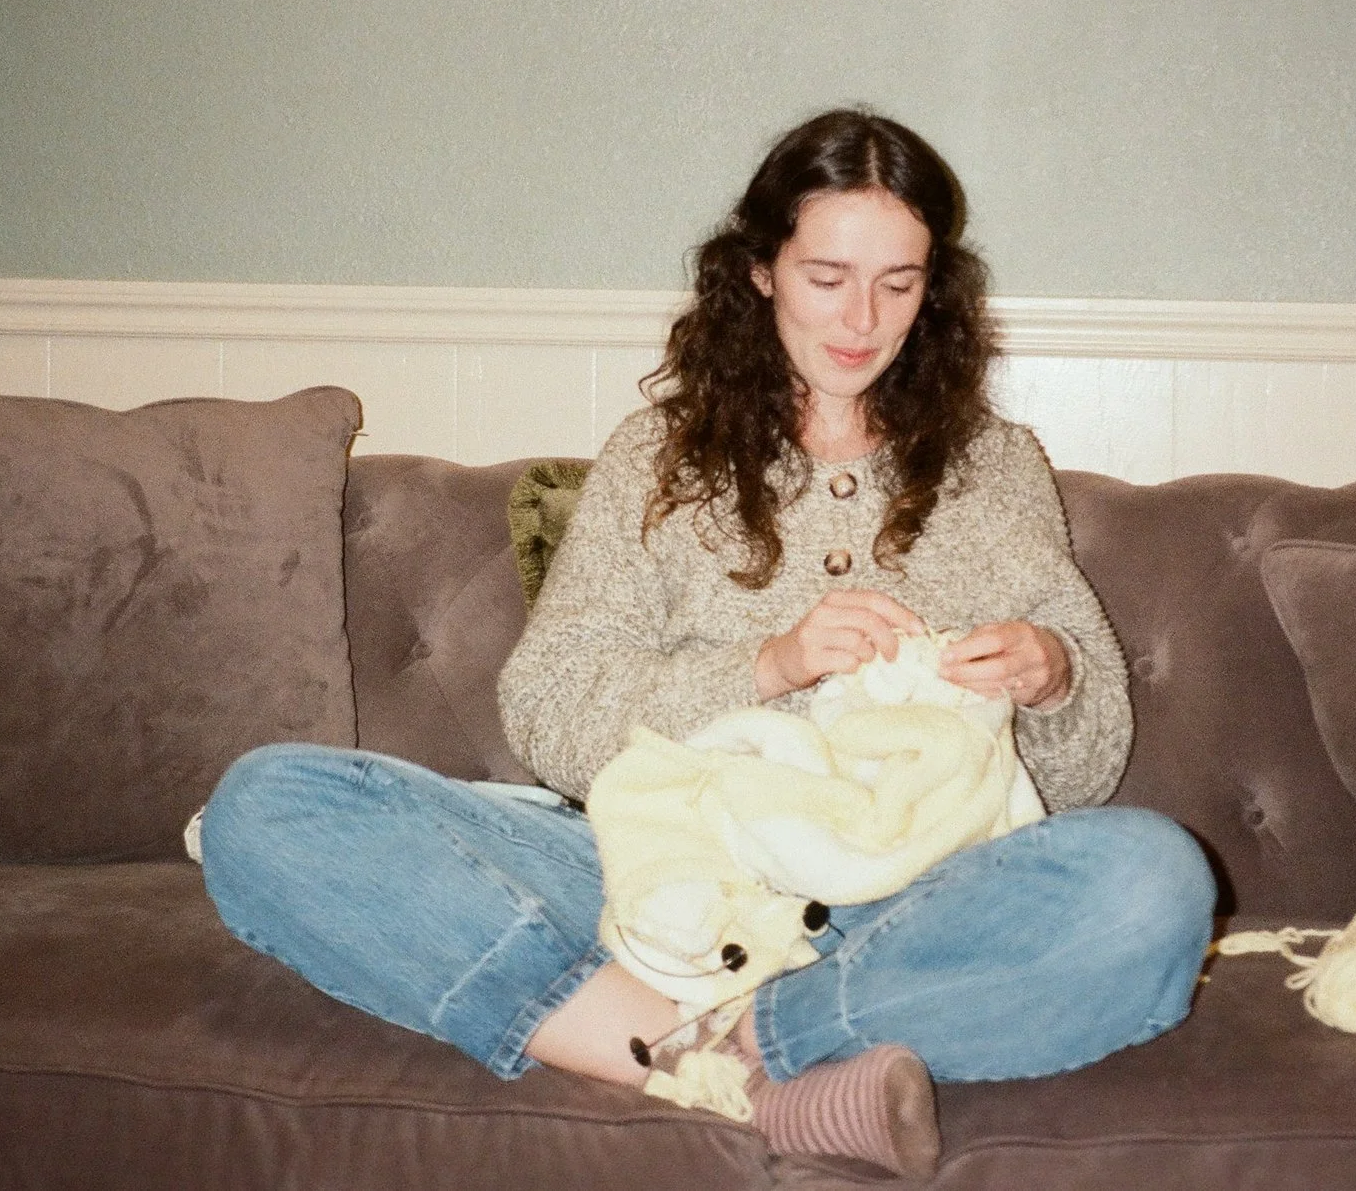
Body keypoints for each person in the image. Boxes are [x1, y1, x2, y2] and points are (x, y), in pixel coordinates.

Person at [201, 109, 1215, 1177]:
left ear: (937, 288)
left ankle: (727, 1046)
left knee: (1154, 879)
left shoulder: (992, 466)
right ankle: (765, 1054)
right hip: (650, 871)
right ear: (759, 269)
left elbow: (1088, 765)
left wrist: (1051, 678)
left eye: (900, 283)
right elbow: (551, 708)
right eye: (827, 275)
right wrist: (767, 665)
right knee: (269, 801)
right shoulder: (658, 456)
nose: (863, 318)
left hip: (894, 899)